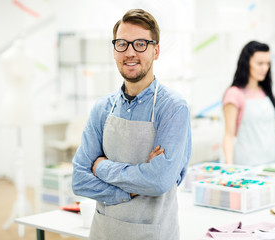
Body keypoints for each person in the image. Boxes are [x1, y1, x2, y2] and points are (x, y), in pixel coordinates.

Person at [72, 9, 192, 240]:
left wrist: (101, 167)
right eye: (122, 44)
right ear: (114, 49)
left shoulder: (173, 108)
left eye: (140, 44)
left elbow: (159, 181)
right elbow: (79, 179)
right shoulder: (102, 108)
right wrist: (133, 189)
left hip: (153, 233)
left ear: (156, 51)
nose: (130, 52)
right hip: (104, 232)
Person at [222, 40, 275, 166]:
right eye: (260, 63)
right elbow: (229, 135)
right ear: (246, 63)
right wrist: (229, 166)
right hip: (245, 166)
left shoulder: (265, 92)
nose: (265, 68)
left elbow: (269, 133)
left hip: (269, 164)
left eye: (267, 64)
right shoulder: (234, 94)